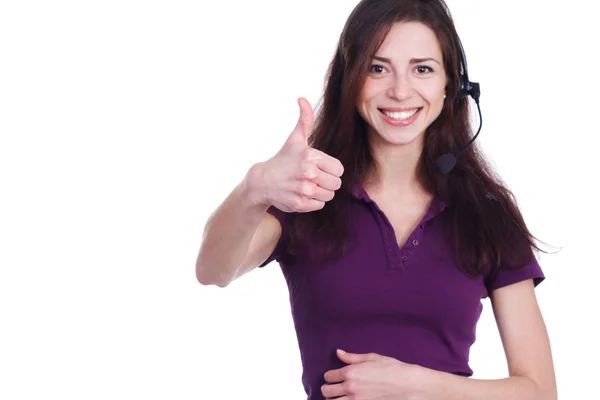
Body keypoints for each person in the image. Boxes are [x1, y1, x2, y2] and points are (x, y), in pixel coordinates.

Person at [196, 0, 557, 399]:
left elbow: (539, 391)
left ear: (450, 85)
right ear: (350, 81)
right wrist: (255, 188)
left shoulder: (486, 213)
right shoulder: (308, 194)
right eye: (377, 68)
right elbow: (213, 271)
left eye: (422, 69)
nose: (400, 91)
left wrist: (417, 384)